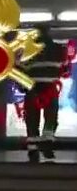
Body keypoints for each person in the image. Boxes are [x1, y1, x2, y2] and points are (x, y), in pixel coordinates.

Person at [23, 25, 67, 162]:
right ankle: (47, 144)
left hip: (33, 88)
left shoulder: (28, 49)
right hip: (50, 87)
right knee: (51, 116)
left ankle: (33, 149)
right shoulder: (58, 49)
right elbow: (62, 68)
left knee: (31, 118)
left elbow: (22, 68)